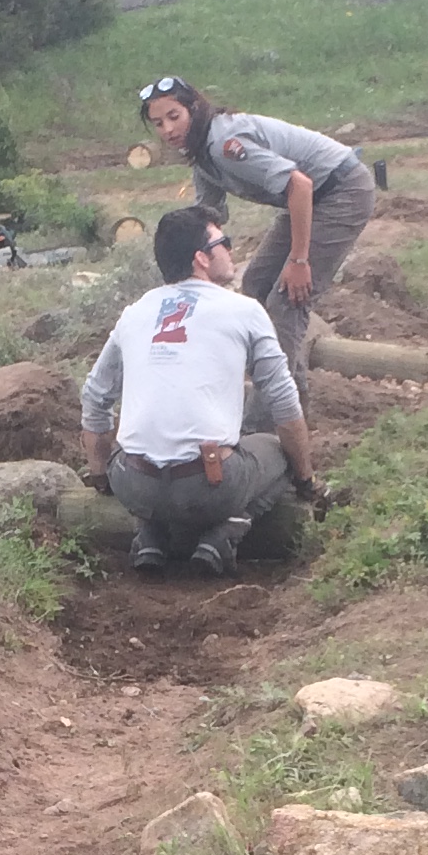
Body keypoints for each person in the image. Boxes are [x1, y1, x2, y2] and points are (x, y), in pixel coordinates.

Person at [80, 202, 321, 578]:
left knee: (144, 462)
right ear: (201, 259)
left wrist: (100, 475)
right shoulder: (245, 311)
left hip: (134, 482)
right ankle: (225, 533)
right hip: (210, 486)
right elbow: (283, 405)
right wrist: (305, 478)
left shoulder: (135, 312)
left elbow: (95, 398)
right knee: (277, 449)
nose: (231, 249)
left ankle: (150, 534)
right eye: (223, 241)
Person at [137, 76, 374, 397]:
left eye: (174, 117)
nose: (167, 130)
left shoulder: (223, 144)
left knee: (288, 299)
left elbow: (299, 185)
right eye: (158, 123)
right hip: (307, 198)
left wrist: (299, 260)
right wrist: (181, 272)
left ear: (193, 108)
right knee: (256, 284)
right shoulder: (201, 154)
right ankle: (294, 398)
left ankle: (273, 411)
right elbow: (208, 216)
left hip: (340, 191)